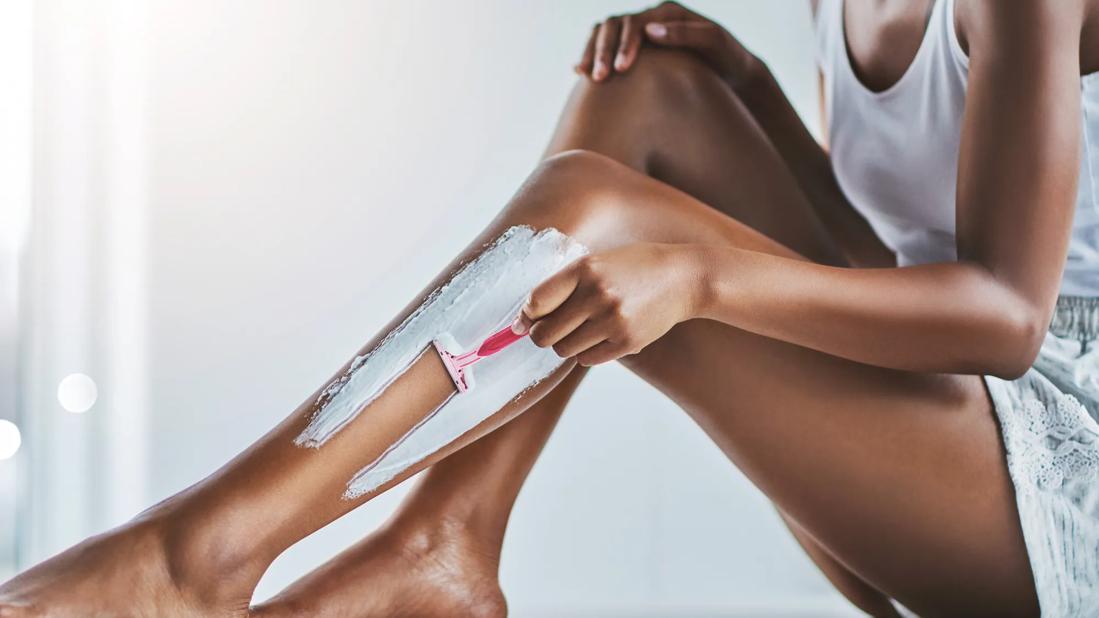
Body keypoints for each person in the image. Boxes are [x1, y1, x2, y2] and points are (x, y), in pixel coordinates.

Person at [4, 1, 1098, 615]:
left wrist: (701, 273)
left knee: (604, 207)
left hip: (1049, 511)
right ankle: (441, 542)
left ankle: (198, 560)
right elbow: (880, 261)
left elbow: (1002, 321)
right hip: (939, 453)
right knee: (646, 87)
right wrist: (752, 90)